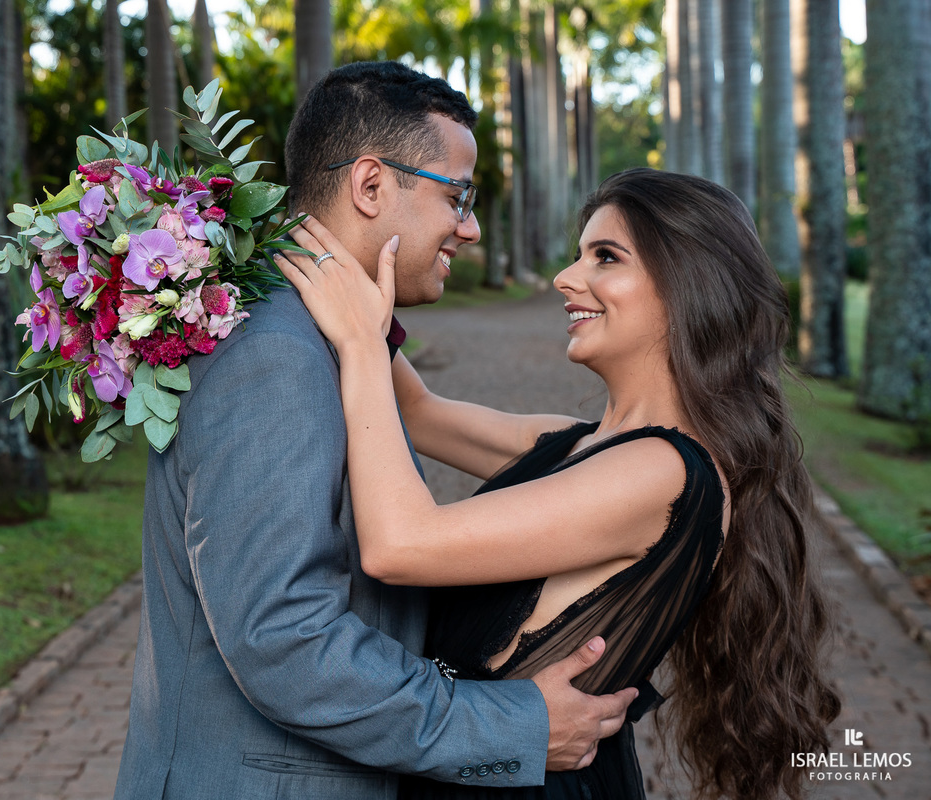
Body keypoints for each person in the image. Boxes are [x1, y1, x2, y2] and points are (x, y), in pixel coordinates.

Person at [112, 61, 637, 800]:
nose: (471, 226)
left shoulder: (333, 340)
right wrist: (510, 727)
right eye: (458, 196)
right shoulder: (275, 356)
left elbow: (428, 427)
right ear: (370, 186)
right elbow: (284, 639)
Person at [276, 167, 842, 799]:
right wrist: (337, 267)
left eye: (605, 257)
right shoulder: (580, 444)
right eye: (579, 255)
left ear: (688, 283)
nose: (566, 279)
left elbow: (399, 544)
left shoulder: (663, 473)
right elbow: (416, 412)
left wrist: (357, 341)